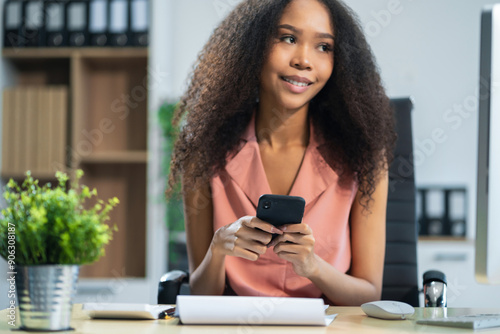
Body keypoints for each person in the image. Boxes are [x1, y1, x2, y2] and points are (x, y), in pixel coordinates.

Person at [167, 0, 396, 306]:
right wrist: (218, 249)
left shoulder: (364, 158)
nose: (304, 60)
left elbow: (369, 293)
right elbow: (203, 294)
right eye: (288, 39)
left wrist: (313, 267)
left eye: (324, 47)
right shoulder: (204, 152)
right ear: (251, 48)